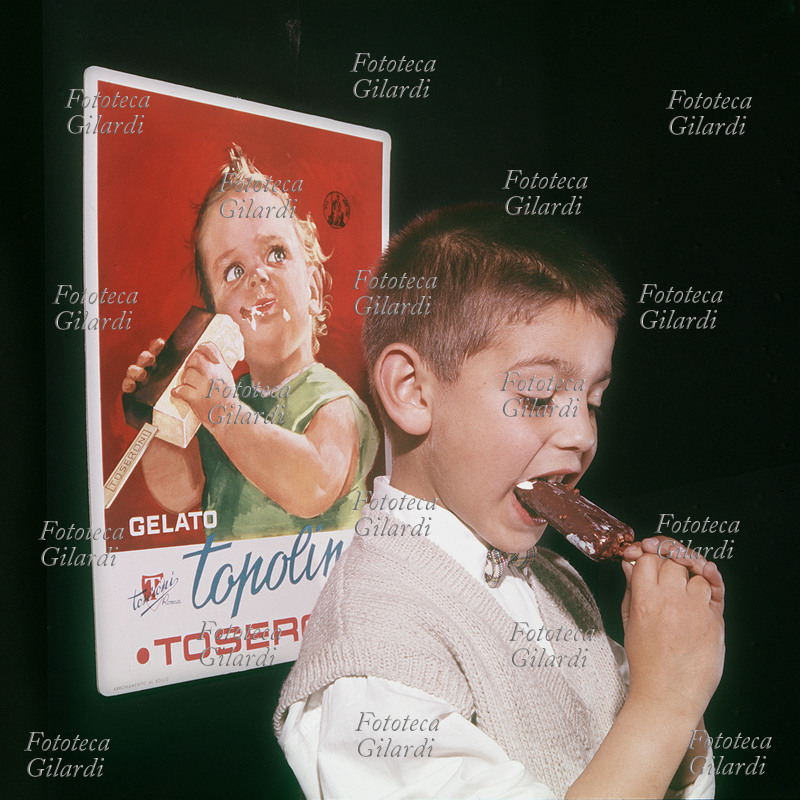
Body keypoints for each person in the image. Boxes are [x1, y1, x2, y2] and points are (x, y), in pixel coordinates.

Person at [274, 205, 725, 798]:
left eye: (592, 400)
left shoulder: (555, 579)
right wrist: (666, 698)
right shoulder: (373, 659)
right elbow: (651, 718)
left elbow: (637, 757)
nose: (583, 435)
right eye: (538, 394)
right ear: (411, 391)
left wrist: (672, 659)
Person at [122, 146, 378, 539]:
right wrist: (164, 407)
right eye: (233, 270)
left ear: (312, 289)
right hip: (233, 595)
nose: (256, 275)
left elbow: (314, 487)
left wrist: (222, 412)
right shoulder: (222, 399)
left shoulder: (333, 402)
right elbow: (176, 493)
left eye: (276, 253)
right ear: (217, 320)